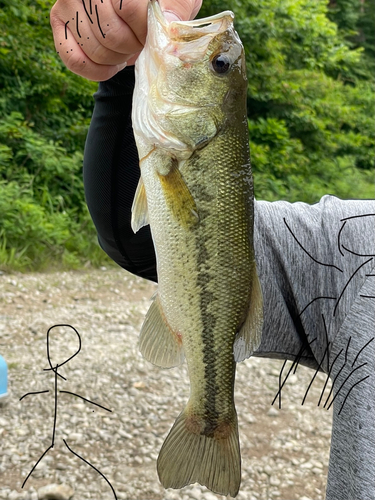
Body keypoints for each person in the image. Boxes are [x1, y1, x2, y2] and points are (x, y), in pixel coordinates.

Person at [50, 1, 375, 499]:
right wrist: (121, 64)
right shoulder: (352, 248)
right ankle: (211, 412)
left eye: (220, 66)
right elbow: (132, 236)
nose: (218, 52)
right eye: (221, 66)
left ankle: (211, 416)